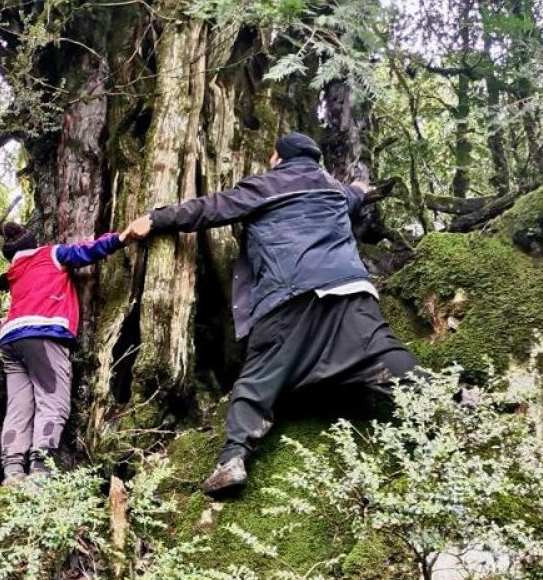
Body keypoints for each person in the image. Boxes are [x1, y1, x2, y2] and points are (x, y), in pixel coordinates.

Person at [122, 132, 422, 496]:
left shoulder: (267, 185)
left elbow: (211, 208)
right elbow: (356, 193)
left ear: (279, 159)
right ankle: (448, 400)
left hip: (290, 294)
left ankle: (232, 460)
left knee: (255, 382)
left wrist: (155, 218)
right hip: (351, 290)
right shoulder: (333, 190)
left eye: (272, 157)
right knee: (381, 353)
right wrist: (361, 186)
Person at [0, 221, 129, 485]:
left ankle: (12, 469)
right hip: (41, 333)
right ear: (33, 243)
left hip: (10, 339)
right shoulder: (50, 254)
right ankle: (41, 470)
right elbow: (85, 251)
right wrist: (121, 238)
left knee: (19, 406)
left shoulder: (15, 270)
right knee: (52, 401)